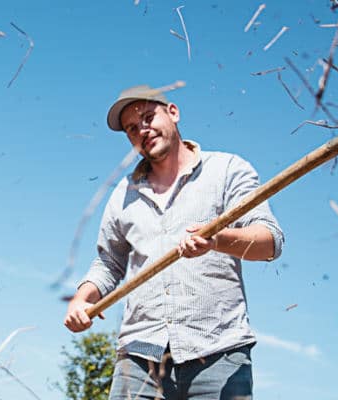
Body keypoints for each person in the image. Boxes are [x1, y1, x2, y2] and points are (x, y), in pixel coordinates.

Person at [63, 84, 284, 399]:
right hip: (140, 359)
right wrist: (81, 299)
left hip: (217, 352)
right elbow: (109, 263)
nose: (142, 129)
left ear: (173, 113)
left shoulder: (227, 170)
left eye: (148, 117)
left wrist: (217, 239)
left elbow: (269, 241)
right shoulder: (122, 196)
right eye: (131, 128)